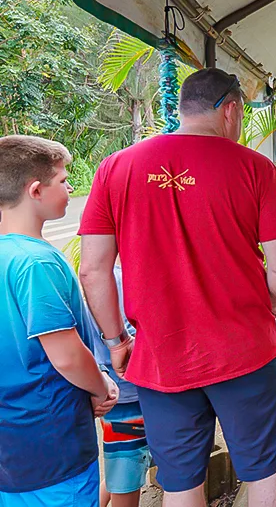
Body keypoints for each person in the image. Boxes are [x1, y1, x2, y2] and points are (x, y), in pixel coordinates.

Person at [78, 68, 276, 507]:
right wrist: (269, 304)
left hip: (160, 357)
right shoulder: (255, 167)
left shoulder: (115, 167)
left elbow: (93, 271)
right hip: (245, 350)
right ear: (231, 110)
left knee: (180, 481)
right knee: (265, 468)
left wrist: (116, 340)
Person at [0, 135, 118, 506]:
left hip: (11, 446)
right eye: (64, 180)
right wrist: (101, 388)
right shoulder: (35, 262)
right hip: (52, 443)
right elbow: (66, 355)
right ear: (35, 190)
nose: (70, 188)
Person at [87, 265, 150, 507]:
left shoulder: (105, 276)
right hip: (129, 398)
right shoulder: (121, 278)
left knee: (121, 469)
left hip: (120, 396)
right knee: (125, 478)